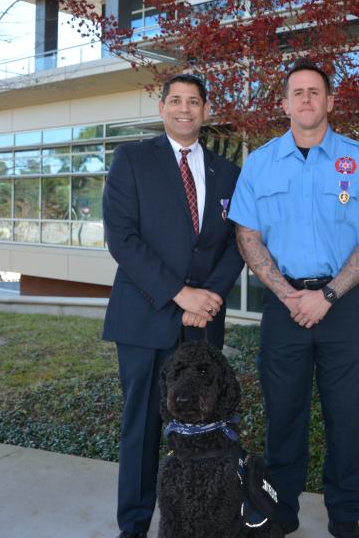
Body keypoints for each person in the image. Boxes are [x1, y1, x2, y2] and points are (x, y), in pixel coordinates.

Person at [229, 59, 359, 538]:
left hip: (341, 306)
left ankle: (345, 519)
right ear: (283, 104)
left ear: (330, 101)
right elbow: (247, 236)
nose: (305, 100)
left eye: (314, 92)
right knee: (284, 418)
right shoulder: (260, 163)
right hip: (283, 308)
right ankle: (282, 516)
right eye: (297, 92)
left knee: (346, 419)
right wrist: (289, 295)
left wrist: (325, 295)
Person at [102, 73, 244, 538]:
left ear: (206, 111)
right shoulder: (132, 159)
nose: (185, 109)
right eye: (176, 100)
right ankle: (136, 527)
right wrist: (178, 294)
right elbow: (122, 238)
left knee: (206, 429)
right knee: (142, 429)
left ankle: (202, 523)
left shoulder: (228, 173)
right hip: (144, 318)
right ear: (162, 107)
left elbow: (236, 246)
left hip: (203, 322)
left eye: (195, 101)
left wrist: (208, 299)